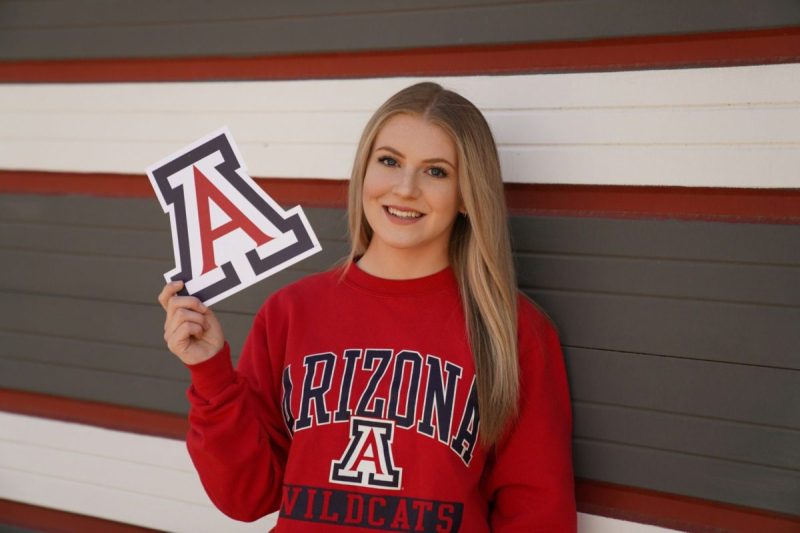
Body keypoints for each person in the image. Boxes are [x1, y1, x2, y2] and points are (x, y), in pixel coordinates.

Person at [159, 82, 576, 532]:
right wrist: (211, 374)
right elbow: (247, 496)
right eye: (389, 161)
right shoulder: (292, 312)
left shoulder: (510, 330)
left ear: (467, 197)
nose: (405, 188)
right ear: (364, 170)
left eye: (436, 172)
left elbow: (538, 514)